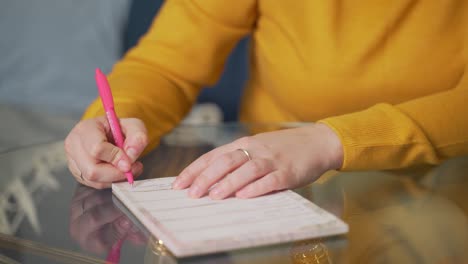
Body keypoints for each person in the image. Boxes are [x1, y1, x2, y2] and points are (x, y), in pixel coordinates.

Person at [65, 1, 468, 199]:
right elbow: (166, 65)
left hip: (447, 196)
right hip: (272, 198)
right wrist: (114, 119)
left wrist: (332, 141)